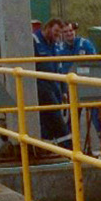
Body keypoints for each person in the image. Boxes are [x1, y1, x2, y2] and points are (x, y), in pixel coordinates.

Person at [68, 22, 101, 153]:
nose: (69, 34)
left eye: (70, 31)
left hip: (87, 84)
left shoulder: (85, 44)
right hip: (70, 86)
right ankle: (70, 141)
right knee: (72, 115)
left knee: (96, 112)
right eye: (66, 32)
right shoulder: (60, 48)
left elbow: (94, 62)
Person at [33, 18, 72, 148]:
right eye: (56, 31)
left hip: (54, 87)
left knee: (49, 121)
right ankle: (69, 148)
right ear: (48, 28)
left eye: (60, 33)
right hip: (41, 88)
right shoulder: (34, 41)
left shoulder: (54, 45)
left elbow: (59, 69)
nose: (58, 35)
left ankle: (49, 147)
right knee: (55, 118)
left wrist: (64, 90)